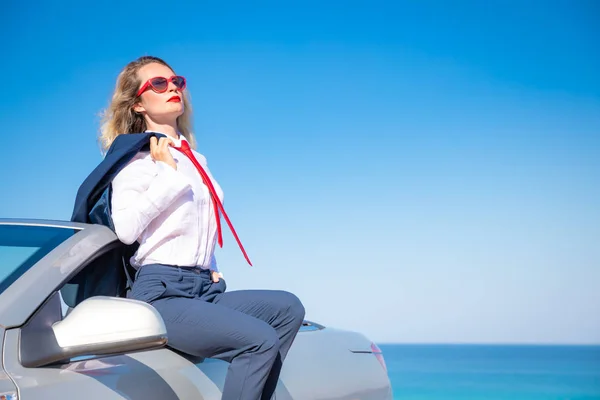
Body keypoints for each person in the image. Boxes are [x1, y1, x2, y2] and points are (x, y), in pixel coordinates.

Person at [98, 55, 305, 400]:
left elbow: (199, 229)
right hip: (161, 292)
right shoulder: (135, 160)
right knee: (258, 340)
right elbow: (126, 230)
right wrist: (166, 174)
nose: (173, 88)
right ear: (137, 104)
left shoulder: (196, 159)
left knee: (288, 309)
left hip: (204, 288)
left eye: (177, 81)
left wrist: (212, 270)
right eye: (159, 84)